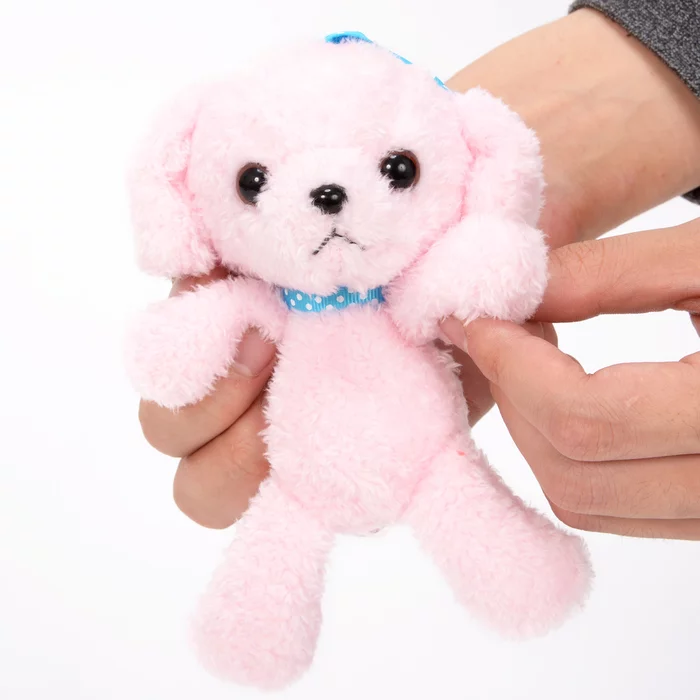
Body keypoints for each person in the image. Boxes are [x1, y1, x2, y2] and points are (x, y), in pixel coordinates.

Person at [138, 4, 700, 539]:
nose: (328, 197)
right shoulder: (262, 298)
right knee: (285, 524)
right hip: (322, 433)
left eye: (398, 170)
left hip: (418, 429)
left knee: (447, 482)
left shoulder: (421, 278)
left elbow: (475, 273)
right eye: (253, 183)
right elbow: (168, 358)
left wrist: (488, 254)